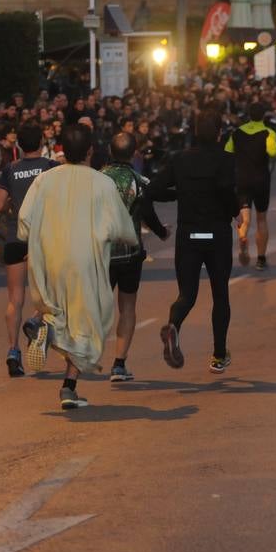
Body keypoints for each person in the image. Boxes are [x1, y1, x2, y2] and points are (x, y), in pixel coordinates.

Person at [18, 124, 138, 410]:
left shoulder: (44, 180)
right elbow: (122, 228)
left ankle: (45, 324)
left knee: (59, 310)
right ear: (90, 151)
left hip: (49, 259)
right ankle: (69, 387)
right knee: (86, 324)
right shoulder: (102, 183)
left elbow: (24, 222)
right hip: (85, 262)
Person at [150, 109, 240, 374]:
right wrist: (235, 211)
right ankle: (218, 355)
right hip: (217, 234)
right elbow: (227, 190)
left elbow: (154, 189)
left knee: (187, 294)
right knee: (220, 294)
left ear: (195, 133)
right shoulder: (226, 160)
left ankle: (174, 326)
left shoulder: (180, 160)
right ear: (220, 134)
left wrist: (180, 193)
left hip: (189, 235)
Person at [100, 131, 169, 382]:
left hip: (102, 254)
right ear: (135, 153)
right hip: (130, 254)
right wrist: (162, 233)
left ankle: (82, 355)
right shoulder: (139, 181)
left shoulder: (98, 179)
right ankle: (119, 364)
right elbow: (149, 211)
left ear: (110, 151)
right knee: (127, 307)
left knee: (96, 305)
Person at [0, 124, 57, 377]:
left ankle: (12, 351)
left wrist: (13, 202)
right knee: (48, 293)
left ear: (18, 144)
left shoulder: (10, 170)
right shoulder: (51, 168)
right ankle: (36, 320)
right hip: (42, 237)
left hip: (14, 236)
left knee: (14, 299)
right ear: (42, 141)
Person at [226, 102, 276, 270]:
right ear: (264, 116)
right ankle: (261, 259)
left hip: (241, 179)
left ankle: (242, 236)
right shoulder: (268, 133)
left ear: (248, 115)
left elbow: (227, 151)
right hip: (261, 180)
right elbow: (273, 152)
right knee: (261, 218)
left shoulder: (236, 133)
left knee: (245, 218)